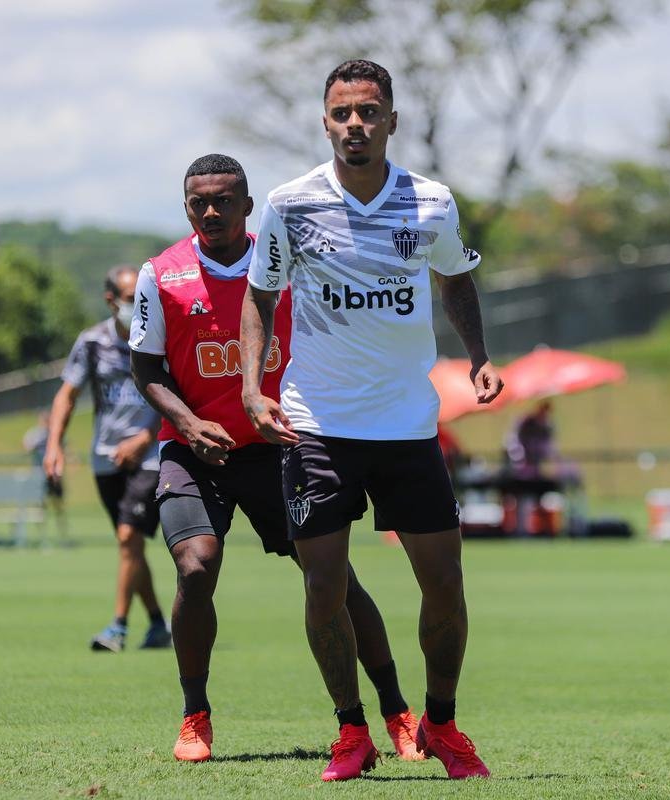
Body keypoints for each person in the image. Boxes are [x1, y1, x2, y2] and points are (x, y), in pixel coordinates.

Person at [240, 60, 504, 782]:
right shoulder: (290, 205)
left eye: (368, 111)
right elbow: (260, 297)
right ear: (325, 122)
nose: (354, 124)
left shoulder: (432, 202)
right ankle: (351, 731)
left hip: (407, 426)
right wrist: (252, 387)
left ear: (392, 119)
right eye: (341, 113)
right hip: (317, 422)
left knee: (445, 582)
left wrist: (477, 354)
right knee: (323, 584)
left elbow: (455, 279)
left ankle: (442, 725)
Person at [129, 153, 421, 764]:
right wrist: (187, 421)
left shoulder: (286, 262)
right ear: (187, 207)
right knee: (196, 568)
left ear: (247, 203)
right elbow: (146, 367)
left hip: (279, 449)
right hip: (192, 450)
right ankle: (194, 716)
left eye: (224, 200)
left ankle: (396, 713)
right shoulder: (161, 274)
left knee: (335, 581)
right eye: (198, 202)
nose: (210, 211)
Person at [43, 267, 171, 653]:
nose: (137, 305)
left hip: (150, 455)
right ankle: (157, 624)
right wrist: (54, 445)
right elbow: (67, 395)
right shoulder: (92, 342)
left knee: (129, 535)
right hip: (105, 458)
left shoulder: (158, 337)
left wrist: (144, 438)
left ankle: (118, 627)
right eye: (130, 299)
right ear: (111, 300)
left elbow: (177, 395)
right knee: (129, 545)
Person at [23, 410, 67, 539]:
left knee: (58, 506)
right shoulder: (35, 434)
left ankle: (63, 535)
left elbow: (65, 449)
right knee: (41, 507)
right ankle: (42, 537)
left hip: (54, 476)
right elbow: (26, 447)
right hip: (39, 476)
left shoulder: (56, 434)